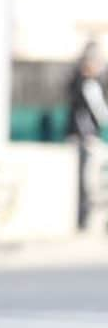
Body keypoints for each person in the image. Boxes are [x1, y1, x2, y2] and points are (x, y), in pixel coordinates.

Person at [67, 42, 108, 231]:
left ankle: (86, 218)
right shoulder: (86, 84)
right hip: (88, 139)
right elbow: (98, 113)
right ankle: (84, 218)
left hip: (87, 137)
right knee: (88, 181)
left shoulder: (85, 83)